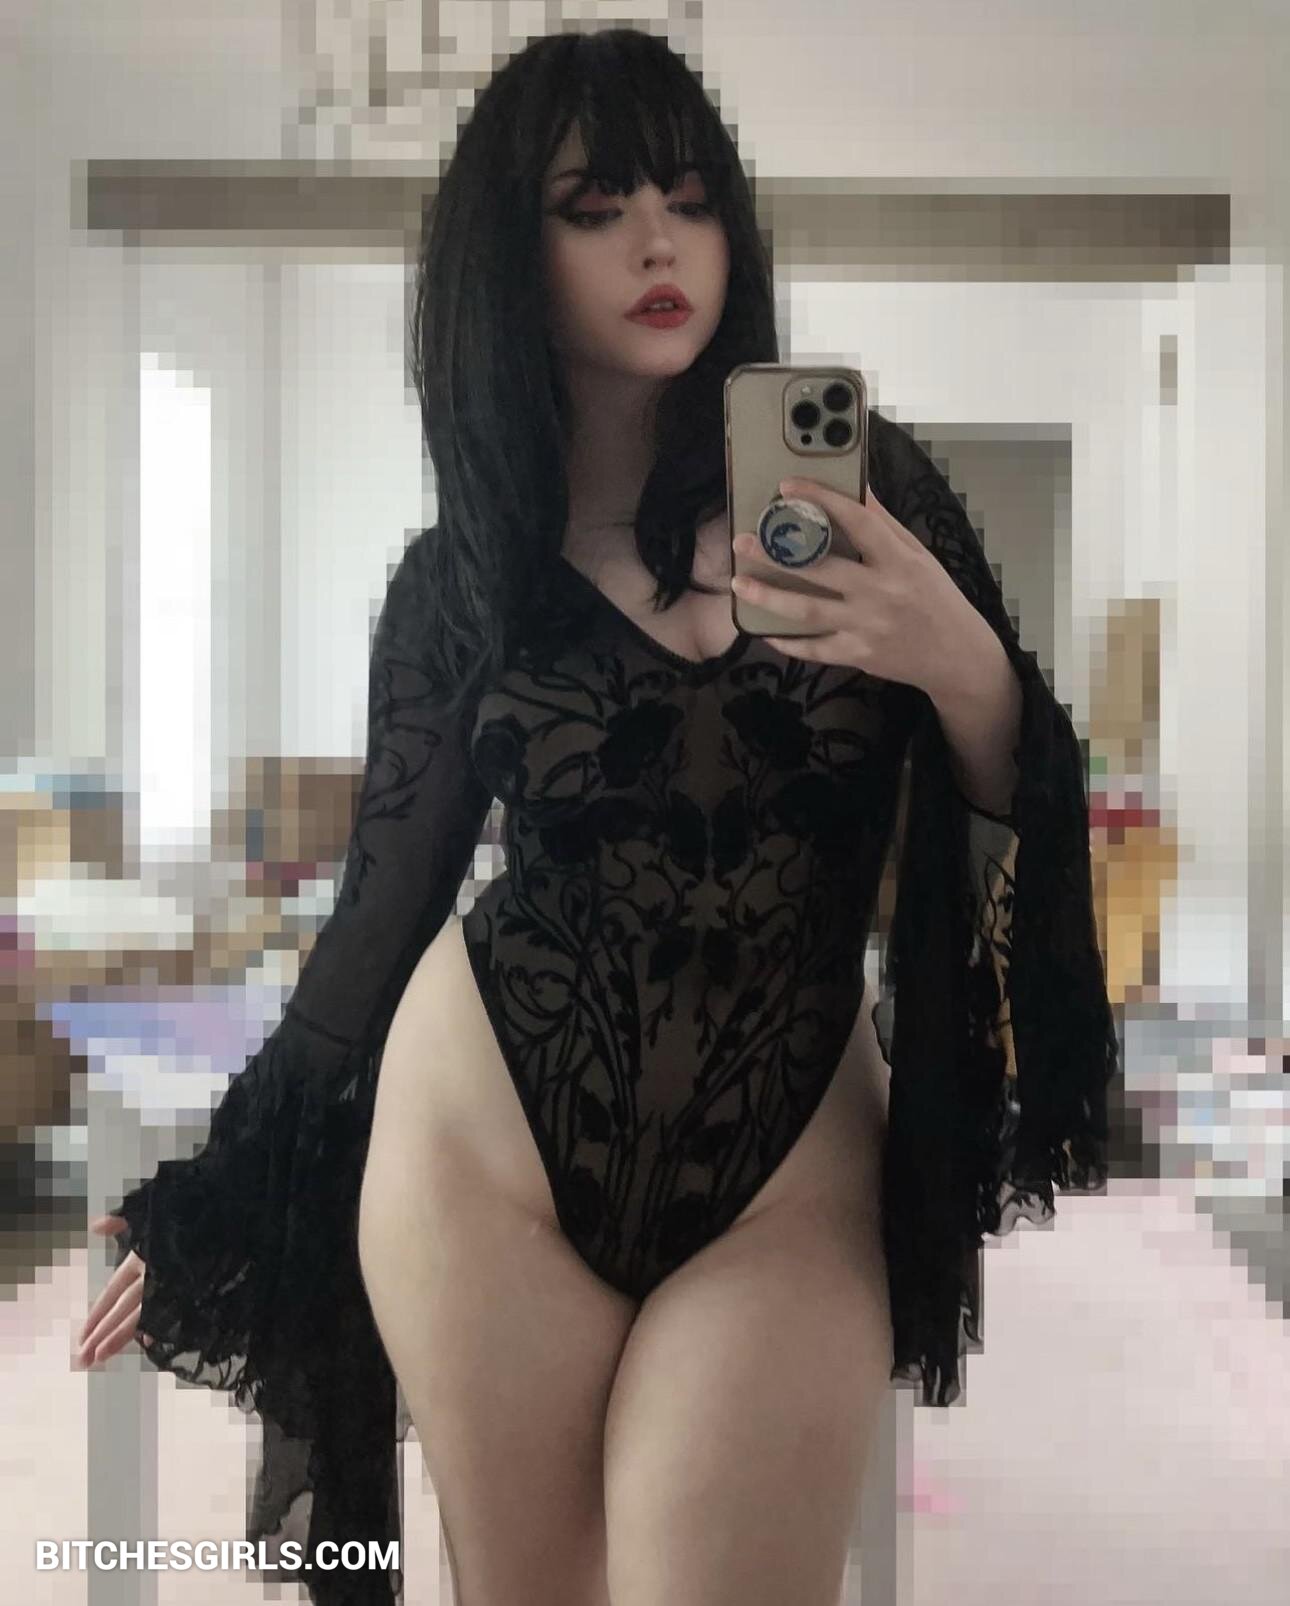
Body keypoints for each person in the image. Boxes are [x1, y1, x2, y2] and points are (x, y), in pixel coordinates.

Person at [75, 26, 1120, 1606]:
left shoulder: (871, 502)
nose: (656, 241)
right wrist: (217, 1187)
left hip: (786, 1169)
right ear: (510, 251)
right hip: (483, 1156)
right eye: (596, 205)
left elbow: (1009, 814)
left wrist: (959, 661)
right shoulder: (457, 587)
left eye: (690, 201)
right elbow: (381, 913)